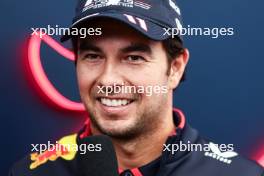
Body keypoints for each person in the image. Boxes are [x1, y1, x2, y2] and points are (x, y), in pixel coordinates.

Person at [10, 0, 264, 175]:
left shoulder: (238, 174)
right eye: (93, 56)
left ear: (175, 67)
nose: (108, 80)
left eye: (133, 58)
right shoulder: (32, 172)